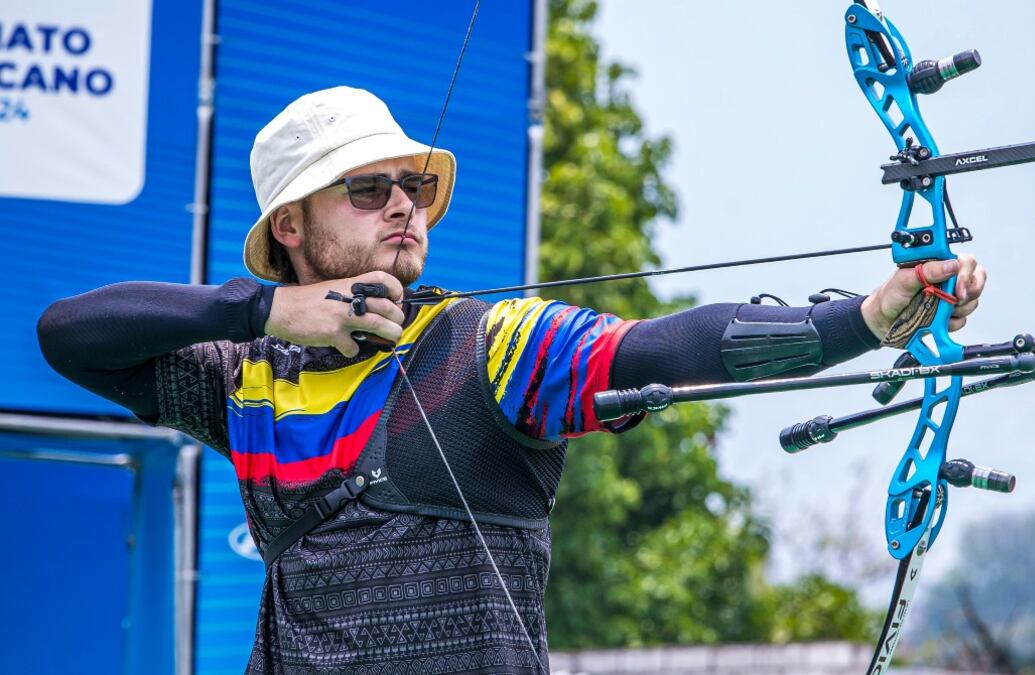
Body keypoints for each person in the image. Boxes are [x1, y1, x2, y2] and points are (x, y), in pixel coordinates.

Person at [37, 86, 986, 674]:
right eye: (367, 190)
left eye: (411, 185)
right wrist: (255, 313)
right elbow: (69, 334)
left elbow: (655, 350)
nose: (403, 205)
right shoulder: (248, 380)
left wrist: (858, 321)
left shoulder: (489, 346)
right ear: (293, 227)